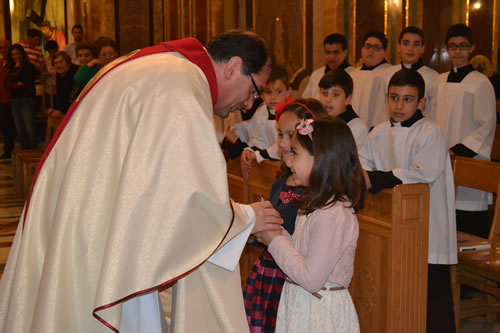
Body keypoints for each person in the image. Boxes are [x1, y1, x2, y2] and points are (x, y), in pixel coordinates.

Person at [0, 30, 283, 333]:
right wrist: (248, 217)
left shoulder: (163, 68)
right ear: (233, 68)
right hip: (99, 232)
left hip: (87, 216)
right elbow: (182, 201)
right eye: (254, 91)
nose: (249, 104)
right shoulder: (181, 88)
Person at [359, 69, 457, 333]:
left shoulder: (430, 131)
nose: (399, 105)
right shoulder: (378, 131)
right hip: (389, 221)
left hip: (424, 224)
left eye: (408, 99)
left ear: (422, 102)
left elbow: (422, 172)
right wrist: (366, 176)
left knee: (429, 293)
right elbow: (362, 164)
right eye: (394, 97)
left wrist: (376, 179)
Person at [256, 116, 365, 333]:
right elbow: (300, 254)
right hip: (303, 306)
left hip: (320, 314)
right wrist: (273, 229)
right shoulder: (314, 205)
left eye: (295, 153)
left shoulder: (334, 213)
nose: (288, 161)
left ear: (321, 159)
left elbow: (311, 278)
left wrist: (275, 240)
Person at [243, 99, 327, 333]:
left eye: (290, 135)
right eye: (280, 134)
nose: (282, 143)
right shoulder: (282, 180)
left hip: (292, 278)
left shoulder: (316, 191)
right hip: (268, 274)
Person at [432, 24, 496, 238]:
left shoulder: (480, 83)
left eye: (463, 46)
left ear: (472, 48)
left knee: (467, 220)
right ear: (447, 49)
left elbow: (486, 124)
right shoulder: (440, 81)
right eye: (453, 46)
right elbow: (432, 119)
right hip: (442, 159)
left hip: (468, 159)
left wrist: (457, 150)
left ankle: (469, 272)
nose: (457, 51)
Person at [228, 66, 291, 177]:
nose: (273, 97)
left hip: (289, 169)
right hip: (270, 167)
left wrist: (258, 155)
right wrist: (248, 150)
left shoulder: (291, 115)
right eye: (268, 92)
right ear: (262, 94)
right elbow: (258, 139)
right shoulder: (261, 111)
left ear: (288, 92)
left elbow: (284, 146)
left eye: (279, 91)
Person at [382, 26, 438, 117]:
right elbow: (383, 109)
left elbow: (434, 112)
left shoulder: (433, 77)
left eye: (416, 44)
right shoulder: (387, 74)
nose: (410, 48)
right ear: (399, 47)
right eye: (406, 43)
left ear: (422, 48)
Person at [350, 30, 392, 129]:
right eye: (368, 46)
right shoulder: (352, 75)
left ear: (385, 52)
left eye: (376, 47)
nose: (371, 50)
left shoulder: (389, 73)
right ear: (362, 50)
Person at [318, 68, 368, 150]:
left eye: (335, 94)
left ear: (348, 99)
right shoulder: (317, 121)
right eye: (324, 93)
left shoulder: (356, 127)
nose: (328, 99)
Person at [5, 44, 38, 149]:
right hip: (15, 100)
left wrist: (17, 82)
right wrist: (16, 83)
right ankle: (24, 151)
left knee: (29, 127)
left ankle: (33, 151)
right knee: (19, 129)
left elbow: (26, 81)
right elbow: (8, 83)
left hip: (27, 99)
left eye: (17, 54)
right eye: (13, 54)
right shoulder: (11, 68)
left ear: (22, 54)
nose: (15, 56)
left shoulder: (29, 66)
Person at [302, 33, 353, 100]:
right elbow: (307, 101)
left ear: (345, 52)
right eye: (328, 52)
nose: (331, 57)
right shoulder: (316, 75)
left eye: (335, 52)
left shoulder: (354, 75)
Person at [49, 51, 79, 117]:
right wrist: (55, 109)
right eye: (55, 63)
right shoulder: (59, 75)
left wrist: (62, 112)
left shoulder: (76, 74)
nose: (58, 65)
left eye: (61, 62)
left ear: (68, 63)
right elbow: (60, 95)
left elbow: (74, 97)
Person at [0, 39, 15, 159]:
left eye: (5, 47)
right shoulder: (0, 62)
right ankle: (7, 150)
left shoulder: (14, 63)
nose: (3, 50)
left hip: (12, 98)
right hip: (1, 98)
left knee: (12, 125)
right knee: (5, 126)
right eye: (1, 48)